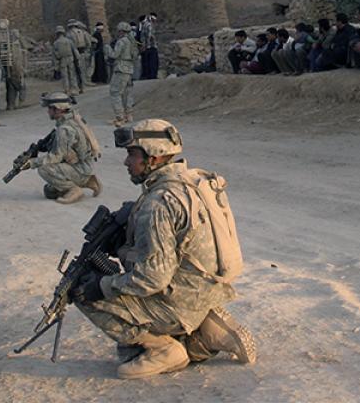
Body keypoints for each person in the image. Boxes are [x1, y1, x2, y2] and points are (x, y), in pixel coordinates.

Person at [72, 119, 255, 379]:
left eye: (132, 154)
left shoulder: (157, 203)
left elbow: (152, 278)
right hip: (208, 287)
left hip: (180, 299)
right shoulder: (197, 180)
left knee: (83, 291)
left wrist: (102, 285)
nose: (126, 162)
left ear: (154, 158)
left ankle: (167, 350)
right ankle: (209, 330)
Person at [28, 92, 102, 204]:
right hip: (85, 165)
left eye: (50, 108)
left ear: (58, 110)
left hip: (80, 168)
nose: (48, 111)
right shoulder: (75, 118)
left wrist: (32, 163)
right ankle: (89, 181)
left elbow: (56, 157)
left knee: (44, 169)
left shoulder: (64, 129)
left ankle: (74, 189)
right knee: (49, 191)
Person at [108, 21, 139, 126]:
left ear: (121, 31)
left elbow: (114, 55)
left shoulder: (121, 42)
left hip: (121, 68)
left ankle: (119, 117)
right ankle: (129, 115)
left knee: (115, 92)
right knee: (127, 93)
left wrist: (107, 49)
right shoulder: (132, 41)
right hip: (130, 68)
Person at [53, 25, 80, 98]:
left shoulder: (56, 43)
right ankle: (74, 89)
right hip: (70, 58)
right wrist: (77, 59)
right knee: (72, 74)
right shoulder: (69, 41)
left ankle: (66, 90)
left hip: (62, 60)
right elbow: (74, 50)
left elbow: (55, 55)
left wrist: (56, 66)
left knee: (65, 76)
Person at [67, 20, 93, 93]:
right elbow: (88, 43)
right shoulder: (82, 32)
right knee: (82, 71)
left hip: (74, 54)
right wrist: (87, 51)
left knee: (74, 72)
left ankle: (76, 88)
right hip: (82, 52)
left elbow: (70, 46)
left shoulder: (69, 34)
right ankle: (83, 87)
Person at [5, 33, 27, 110]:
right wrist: (22, 72)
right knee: (22, 88)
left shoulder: (7, 47)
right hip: (17, 73)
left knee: (11, 90)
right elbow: (17, 62)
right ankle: (20, 104)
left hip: (9, 73)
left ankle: (10, 105)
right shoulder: (17, 47)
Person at [141, 13, 159, 80]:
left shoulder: (144, 24)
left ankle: (149, 75)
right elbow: (149, 36)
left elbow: (142, 37)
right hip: (151, 47)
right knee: (153, 63)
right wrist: (151, 43)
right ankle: (152, 76)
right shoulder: (149, 25)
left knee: (148, 63)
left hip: (146, 47)